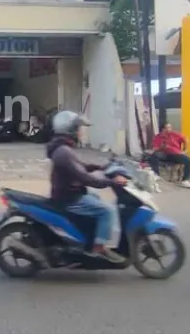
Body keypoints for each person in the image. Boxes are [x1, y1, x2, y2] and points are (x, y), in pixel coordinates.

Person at [47, 110, 127, 264]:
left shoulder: (63, 148)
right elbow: (85, 178)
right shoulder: (64, 152)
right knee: (107, 210)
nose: (81, 132)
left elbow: (80, 166)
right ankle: (98, 248)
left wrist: (101, 167)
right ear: (70, 130)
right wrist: (112, 182)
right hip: (69, 198)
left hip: (69, 193)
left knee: (95, 198)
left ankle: (88, 237)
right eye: (79, 129)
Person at [149, 123, 190, 189]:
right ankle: (156, 174)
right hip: (164, 154)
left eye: (170, 127)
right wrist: (161, 147)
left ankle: (185, 180)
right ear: (163, 129)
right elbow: (154, 149)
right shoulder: (158, 137)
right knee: (154, 155)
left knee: (188, 160)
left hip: (175, 154)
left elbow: (186, 140)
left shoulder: (174, 134)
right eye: (167, 128)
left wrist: (184, 151)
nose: (169, 129)